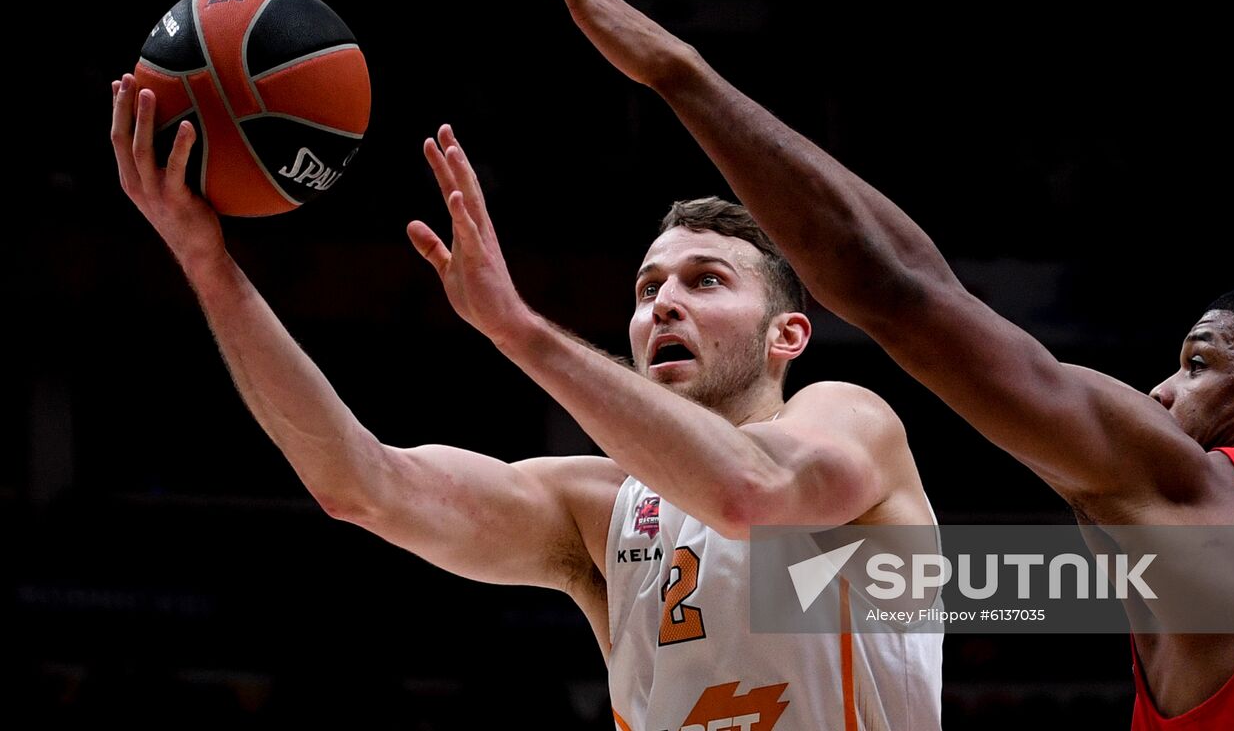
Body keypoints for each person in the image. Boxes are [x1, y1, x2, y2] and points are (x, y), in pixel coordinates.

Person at [500, 0, 1234, 728]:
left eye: (1199, 364)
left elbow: (901, 289)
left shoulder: (1204, 503)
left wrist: (678, 74)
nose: (1161, 393)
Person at [107, 74, 941, 729]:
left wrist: (519, 331)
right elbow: (359, 484)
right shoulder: (597, 510)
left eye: (706, 281)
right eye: (649, 289)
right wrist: (207, 263)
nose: (664, 305)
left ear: (786, 336)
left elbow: (750, 494)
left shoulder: (849, 418)